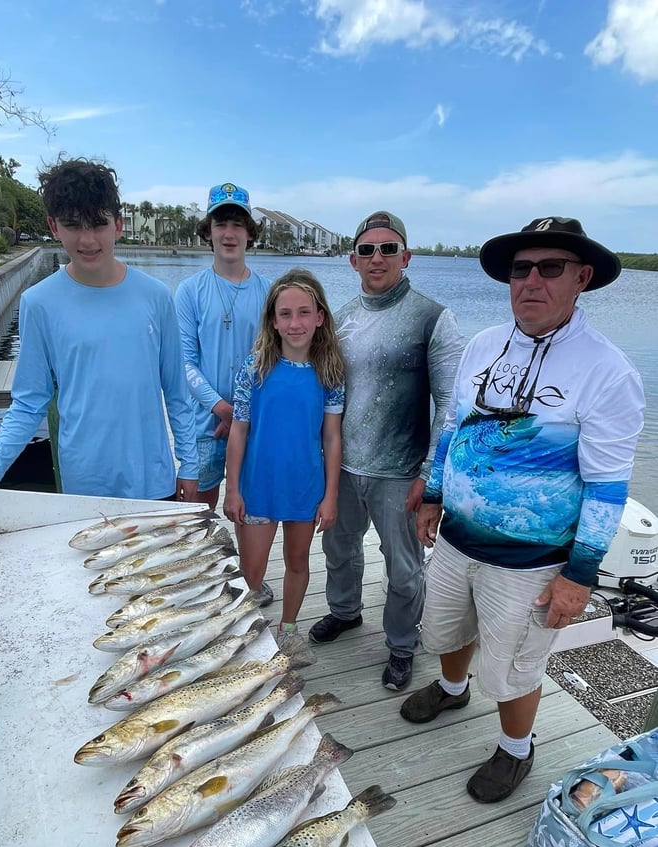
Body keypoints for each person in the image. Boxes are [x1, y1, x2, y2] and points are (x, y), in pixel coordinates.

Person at [401, 216, 645, 803]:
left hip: (532, 562)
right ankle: (453, 687)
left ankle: (516, 749)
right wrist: (434, 493)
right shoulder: (484, 345)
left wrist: (580, 574)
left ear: (581, 278)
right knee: (445, 628)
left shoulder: (609, 371)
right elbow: (455, 427)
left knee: (513, 667)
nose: (530, 280)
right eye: (520, 269)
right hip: (457, 539)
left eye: (549, 268)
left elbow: (608, 486)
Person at [0, 157, 199, 508]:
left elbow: (177, 393)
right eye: (73, 225)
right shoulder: (38, 303)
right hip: (84, 485)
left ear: (117, 224)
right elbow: (29, 402)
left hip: (152, 480)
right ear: (54, 227)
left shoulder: (156, 296)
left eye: (98, 224)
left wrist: (189, 465)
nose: (87, 240)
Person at [308, 211, 463, 692]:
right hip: (342, 465)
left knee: (403, 567)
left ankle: (401, 644)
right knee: (338, 549)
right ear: (353, 260)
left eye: (388, 248)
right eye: (368, 250)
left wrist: (430, 475)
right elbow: (325, 394)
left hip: (401, 471)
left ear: (406, 256)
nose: (378, 258)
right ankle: (345, 612)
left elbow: (450, 408)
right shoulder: (340, 317)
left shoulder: (433, 317)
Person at [223, 269, 345, 649]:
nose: (296, 323)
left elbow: (331, 435)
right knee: (252, 571)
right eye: (286, 314)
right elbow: (239, 430)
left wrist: (330, 496)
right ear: (273, 321)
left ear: (320, 317)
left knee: (297, 561)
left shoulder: (330, 373)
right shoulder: (254, 367)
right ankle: (241, 634)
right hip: (258, 486)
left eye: (305, 312)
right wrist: (232, 488)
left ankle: (288, 628)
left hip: (305, 488)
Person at [175, 182, 272, 601]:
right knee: (198, 509)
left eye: (237, 223)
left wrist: (244, 414)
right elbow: (184, 362)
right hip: (205, 423)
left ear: (250, 232)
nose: (229, 232)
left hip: (253, 425)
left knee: (246, 508)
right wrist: (220, 407)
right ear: (208, 231)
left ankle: (248, 582)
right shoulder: (189, 291)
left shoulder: (269, 292)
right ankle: (195, 586)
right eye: (220, 223)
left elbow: (277, 358)